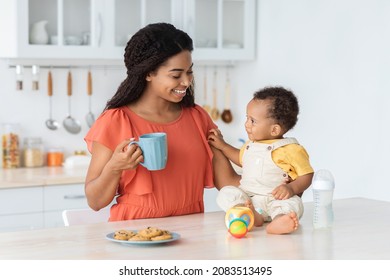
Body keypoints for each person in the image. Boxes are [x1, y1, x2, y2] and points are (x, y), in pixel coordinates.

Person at [84, 23, 225, 221]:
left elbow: (227, 181)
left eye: (189, 72)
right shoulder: (116, 120)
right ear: (148, 73)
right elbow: (95, 202)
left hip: (192, 231)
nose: (186, 82)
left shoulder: (197, 117)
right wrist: (114, 167)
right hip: (135, 233)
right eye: (176, 75)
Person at [208, 86, 314, 234]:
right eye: (247, 118)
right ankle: (248, 213)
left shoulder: (291, 149)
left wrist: (291, 188)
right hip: (249, 199)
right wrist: (223, 146)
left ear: (274, 130)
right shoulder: (251, 145)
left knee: (293, 203)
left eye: (253, 121)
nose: (246, 124)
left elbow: (307, 174)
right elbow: (241, 159)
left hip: (275, 199)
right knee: (226, 193)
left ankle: (279, 220)